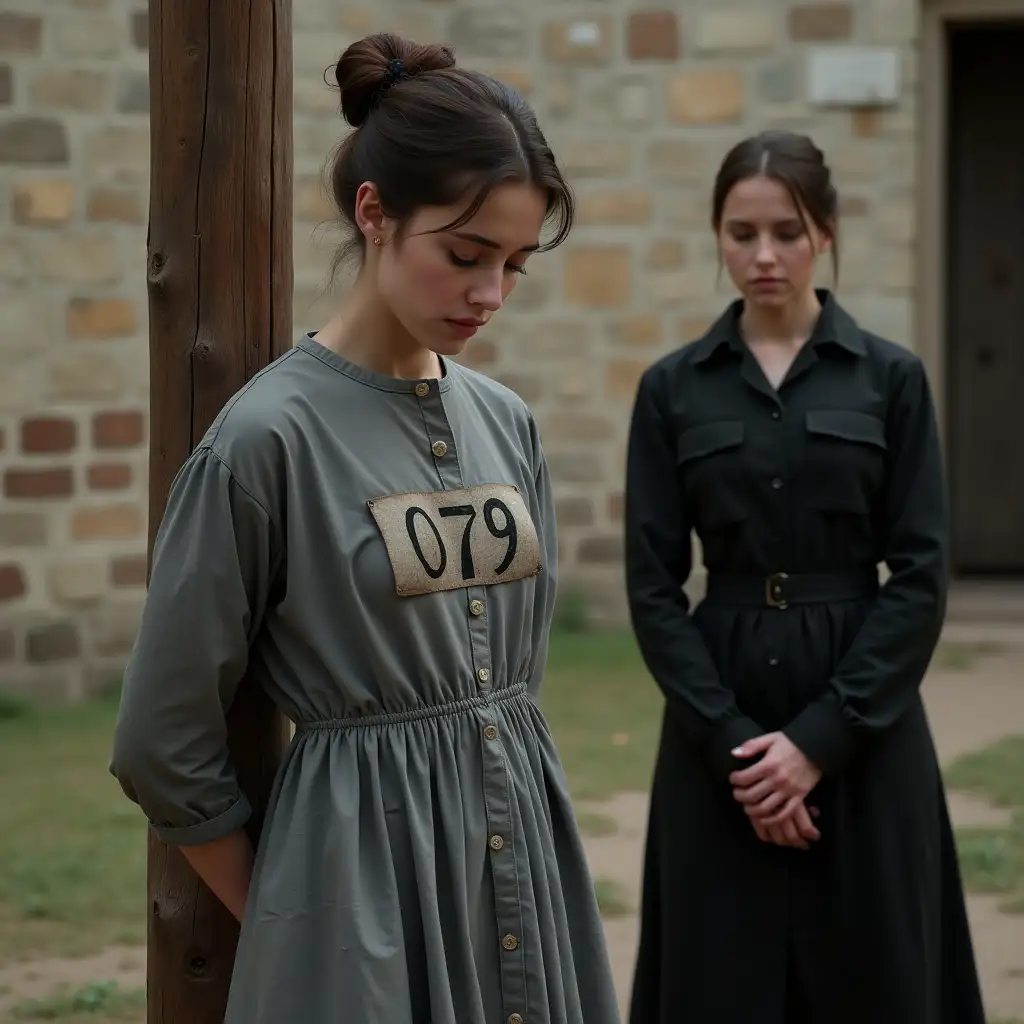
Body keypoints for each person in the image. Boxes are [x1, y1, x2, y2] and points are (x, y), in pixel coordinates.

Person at [110, 32, 620, 1024]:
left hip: (524, 873)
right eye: (465, 255)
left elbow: (507, 673)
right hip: (353, 906)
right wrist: (293, 915)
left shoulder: (505, 421)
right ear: (374, 213)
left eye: (515, 264)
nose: (490, 294)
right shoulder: (266, 441)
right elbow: (158, 737)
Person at [623, 129, 986, 1024]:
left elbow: (921, 572)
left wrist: (820, 740)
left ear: (823, 231)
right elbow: (653, 585)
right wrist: (739, 751)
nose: (764, 255)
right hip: (723, 726)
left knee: (876, 972)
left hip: (864, 717)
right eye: (741, 233)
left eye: (786, 231)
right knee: (720, 981)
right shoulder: (673, 390)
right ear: (717, 236)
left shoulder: (891, 379)